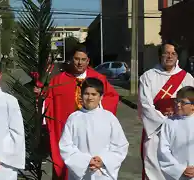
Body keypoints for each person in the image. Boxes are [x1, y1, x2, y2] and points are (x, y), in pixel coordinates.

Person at [45, 44, 119, 180]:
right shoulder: (58, 80)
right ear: (71, 60)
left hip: (92, 131)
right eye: (76, 59)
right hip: (67, 129)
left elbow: (111, 97)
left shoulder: (99, 79)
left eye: (83, 59)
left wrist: (96, 111)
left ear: (88, 61)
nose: (79, 63)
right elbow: (48, 101)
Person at [138, 41, 194, 180]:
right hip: (155, 130)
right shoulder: (148, 77)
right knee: (154, 168)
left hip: (180, 132)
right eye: (166, 53)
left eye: (173, 53)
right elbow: (145, 104)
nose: (170, 56)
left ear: (177, 57)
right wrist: (165, 123)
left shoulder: (187, 78)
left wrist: (175, 125)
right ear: (160, 56)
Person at [59, 77, 129, 180]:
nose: (90, 98)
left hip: (103, 173)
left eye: (94, 94)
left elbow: (120, 145)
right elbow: (66, 146)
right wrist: (86, 161)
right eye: (86, 94)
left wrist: (103, 160)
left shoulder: (109, 118)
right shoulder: (73, 118)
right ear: (81, 95)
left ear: (101, 97)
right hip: (81, 173)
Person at [158, 86, 194, 180]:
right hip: (177, 175)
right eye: (177, 101)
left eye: (183, 102)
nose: (178, 105)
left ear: (193, 106)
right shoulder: (169, 122)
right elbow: (163, 150)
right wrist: (180, 169)